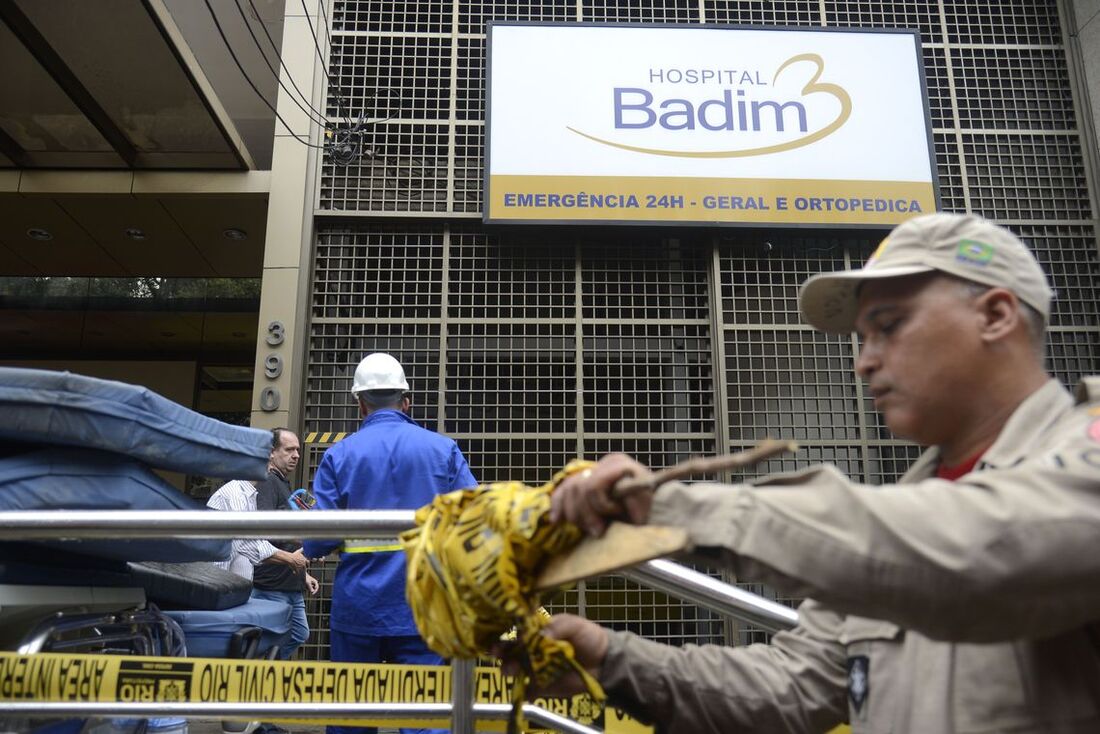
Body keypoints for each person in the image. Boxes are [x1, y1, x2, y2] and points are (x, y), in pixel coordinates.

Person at [537, 212, 1100, 732]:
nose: (864, 361)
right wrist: (611, 659)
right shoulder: (901, 513)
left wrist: (667, 509)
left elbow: (981, 552)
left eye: (889, 326)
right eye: (862, 337)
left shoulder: (1082, 460)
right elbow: (791, 687)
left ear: (995, 315)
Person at [303, 352, 477, 734]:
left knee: (352, 717)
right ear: (406, 400)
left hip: (359, 607)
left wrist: (312, 549)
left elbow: (319, 536)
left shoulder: (340, 454)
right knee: (426, 718)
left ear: (360, 403)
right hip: (424, 604)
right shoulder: (442, 449)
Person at [251, 427, 320, 661]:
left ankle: (266, 670)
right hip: (270, 585)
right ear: (271, 452)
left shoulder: (285, 484)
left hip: (291, 583)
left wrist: (304, 575)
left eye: (298, 450)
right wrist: (306, 541)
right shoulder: (268, 481)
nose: (296, 455)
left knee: (300, 633)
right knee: (272, 638)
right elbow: (265, 529)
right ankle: (260, 676)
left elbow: (288, 539)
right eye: (289, 449)